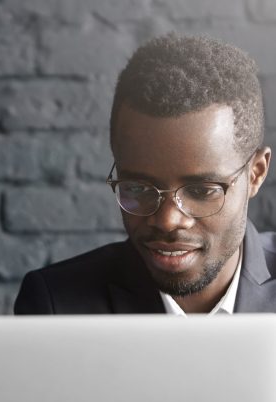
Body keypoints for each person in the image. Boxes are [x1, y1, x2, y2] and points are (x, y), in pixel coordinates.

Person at [15, 33, 275, 315]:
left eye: (201, 191)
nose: (167, 221)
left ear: (256, 174)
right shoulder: (57, 306)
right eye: (138, 189)